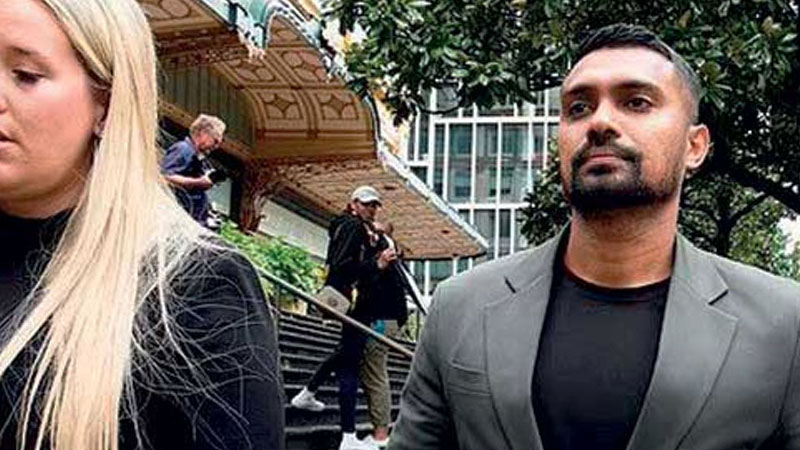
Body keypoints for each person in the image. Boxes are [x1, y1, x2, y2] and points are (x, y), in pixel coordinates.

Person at [389, 23, 800, 450]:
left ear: (694, 146)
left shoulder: (784, 325)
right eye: (579, 108)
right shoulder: (460, 309)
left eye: (637, 102)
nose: (600, 121)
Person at [0, 1, 283, 450]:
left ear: (107, 104)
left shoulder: (196, 288)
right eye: (212, 138)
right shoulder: (184, 154)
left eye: (26, 75)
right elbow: (169, 176)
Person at [290, 186, 397, 450]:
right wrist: (376, 263)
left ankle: (308, 393)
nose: (372, 209)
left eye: (375, 205)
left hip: (348, 301)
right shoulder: (353, 226)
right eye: (367, 204)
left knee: (345, 354)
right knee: (348, 366)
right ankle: (348, 436)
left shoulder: (347, 225)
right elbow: (344, 265)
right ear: (354, 204)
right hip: (353, 303)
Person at [359, 222, 409, 448]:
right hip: (389, 320)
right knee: (373, 371)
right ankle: (380, 432)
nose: (370, 233)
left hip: (382, 321)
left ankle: (381, 435)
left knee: (375, 373)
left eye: (375, 231)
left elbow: (371, 286)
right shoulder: (392, 256)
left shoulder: (384, 255)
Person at [161, 114, 226, 224]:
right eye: (215, 140)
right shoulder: (184, 149)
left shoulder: (196, 158)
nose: (216, 146)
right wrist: (199, 182)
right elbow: (165, 177)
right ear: (203, 133)